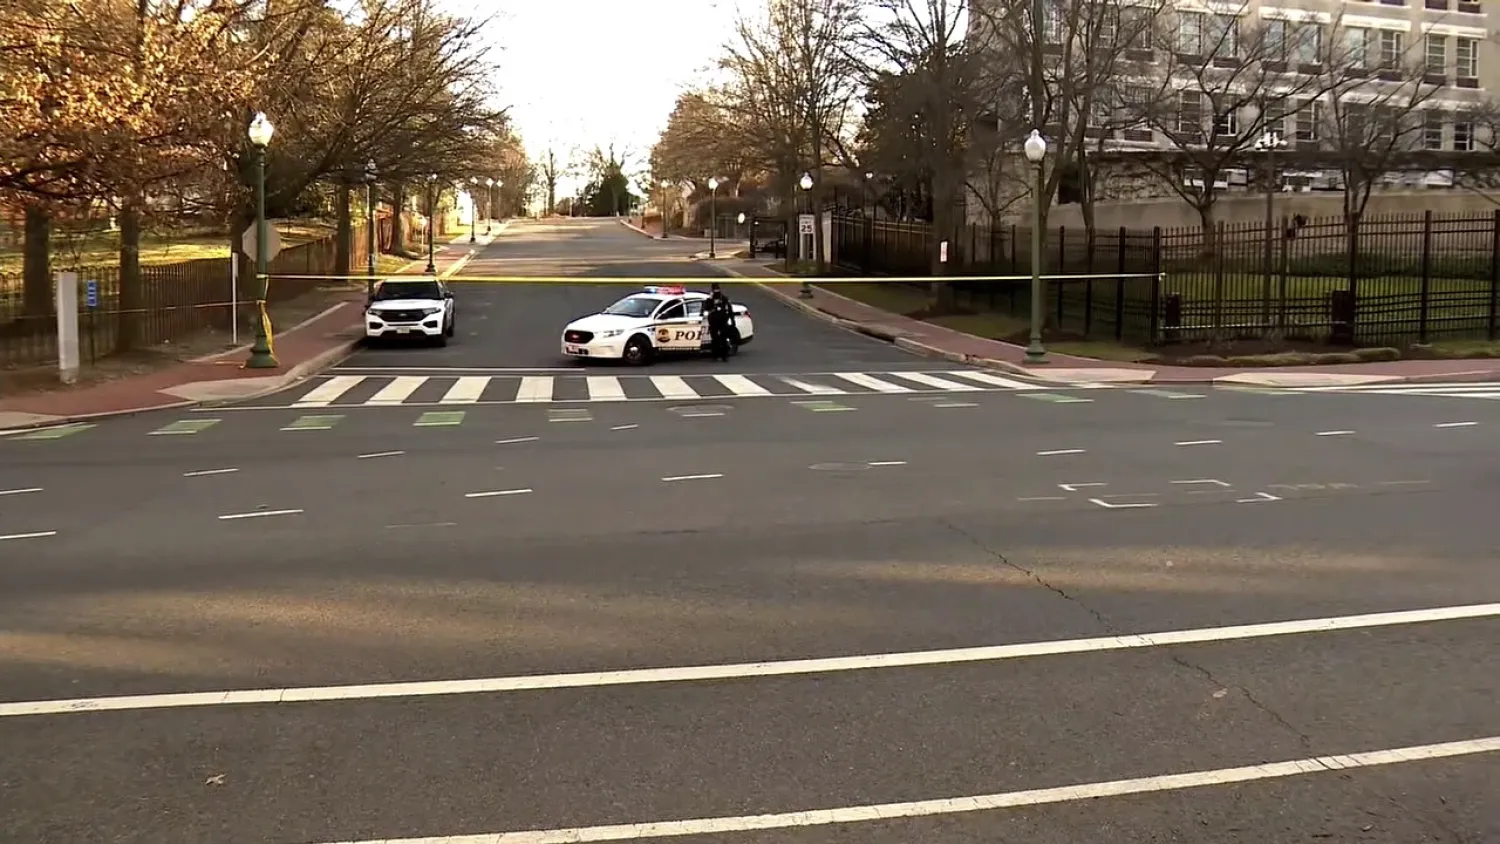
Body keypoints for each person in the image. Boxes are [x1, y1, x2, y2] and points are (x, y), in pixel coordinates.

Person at [706, 285, 733, 361]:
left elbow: (729, 309)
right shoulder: (712, 299)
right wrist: (710, 299)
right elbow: (707, 307)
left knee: (722, 339)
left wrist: (732, 320)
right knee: (716, 339)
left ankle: (722, 356)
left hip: (722, 321)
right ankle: (717, 356)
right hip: (715, 321)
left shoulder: (723, 298)